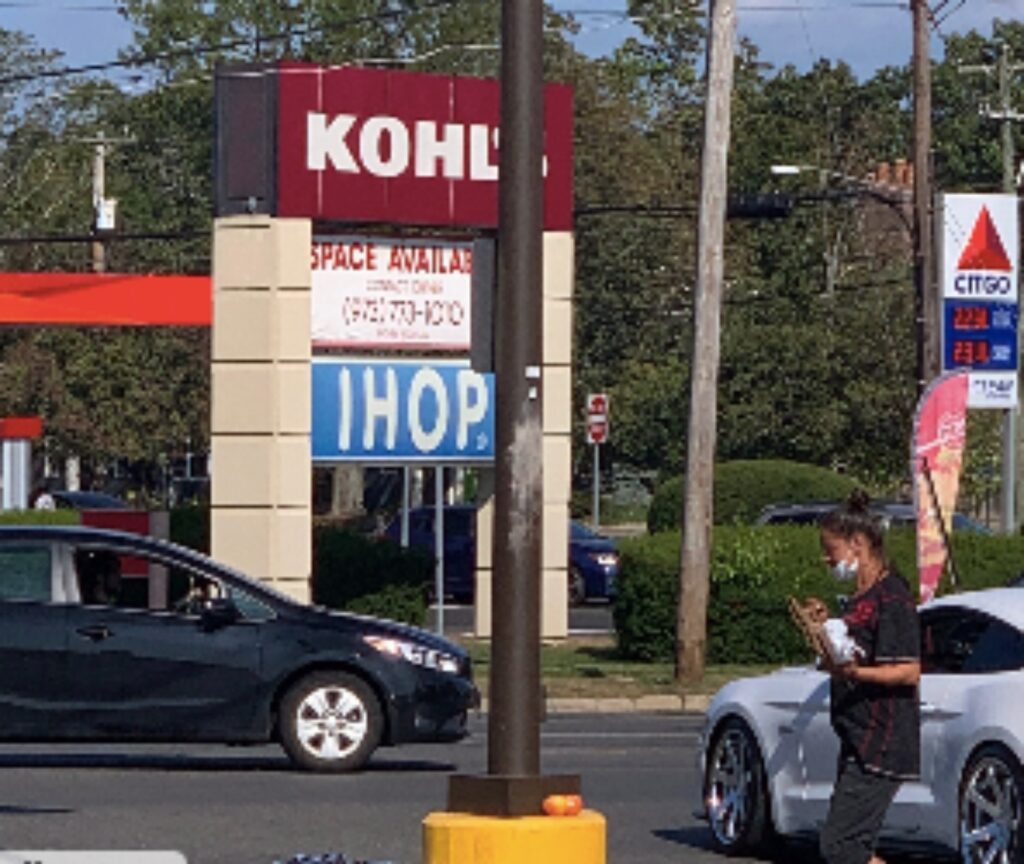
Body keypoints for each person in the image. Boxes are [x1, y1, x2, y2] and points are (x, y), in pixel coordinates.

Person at [817, 490, 921, 864]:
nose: (826, 558)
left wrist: (855, 672)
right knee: (848, 845)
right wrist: (823, 628)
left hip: (883, 740)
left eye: (830, 549)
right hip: (857, 735)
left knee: (841, 845)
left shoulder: (892, 598)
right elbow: (851, 647)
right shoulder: (863, 597)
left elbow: (908, 670)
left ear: (857, 544)